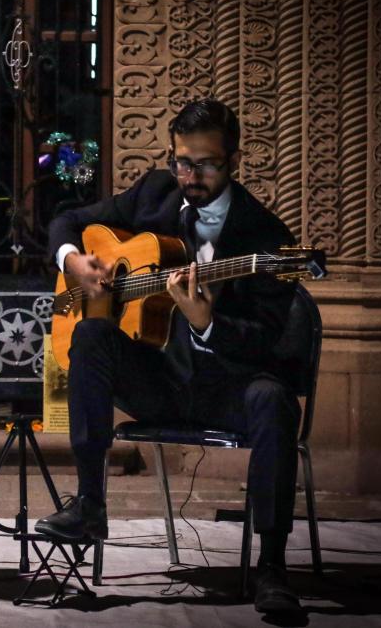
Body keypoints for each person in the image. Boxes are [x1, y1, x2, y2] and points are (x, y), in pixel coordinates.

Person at [36, 98, 303, 614]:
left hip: (227, 389)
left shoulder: (267, 238)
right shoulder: (155, 193)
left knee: (275, 401)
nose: (192, 175)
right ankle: (90, 504)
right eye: (183, 161)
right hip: (158, 383)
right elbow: (68, 222)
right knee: (90, 334)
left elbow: (266, 342)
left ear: (234, 160)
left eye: (206, 163)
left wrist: (206, 321)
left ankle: (272, 567)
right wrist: (76, 263)